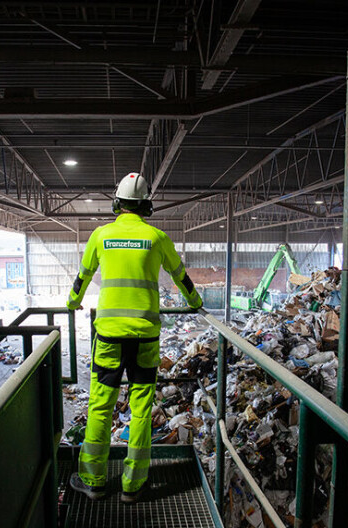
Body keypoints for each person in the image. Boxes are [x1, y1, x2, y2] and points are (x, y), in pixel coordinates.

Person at [66, 172, 203, 503]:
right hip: (145, 336)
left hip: (110, 336)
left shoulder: (100, 236)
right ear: (146, 205)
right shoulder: (157, 238)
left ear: (117, 203)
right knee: (141, 408)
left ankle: (93, 479)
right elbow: (181, 277)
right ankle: (133, 484)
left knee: (101, 406)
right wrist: (196, 303)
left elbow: (82, 277)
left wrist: (72, 303)